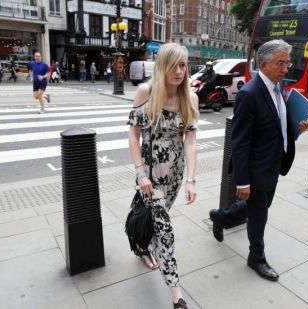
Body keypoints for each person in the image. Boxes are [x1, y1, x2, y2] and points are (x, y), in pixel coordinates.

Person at [209, 39, 308, 281]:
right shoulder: (249, 94)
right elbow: (240, 141)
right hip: (256, 169)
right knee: (259, 215)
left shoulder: (278, 88)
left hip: (273, 164)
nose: (286, 69)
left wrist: (296, 127)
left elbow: (276, 125)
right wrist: (242, 181)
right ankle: (257, 257)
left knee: (260, 206)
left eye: (287, 63)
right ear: (263, 64)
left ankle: (221, 216)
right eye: (280, 63)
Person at [127, 42, 198, 309]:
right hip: (149, 173)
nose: (179, 71)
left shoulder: (190, 98)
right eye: (174, 64)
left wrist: (191, 179)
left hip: (175, 175)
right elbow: (133, 135)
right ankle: (177, 295)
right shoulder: (146, 92)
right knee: (165, 230)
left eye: (183, 65)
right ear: (162, 65)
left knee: (155, 218)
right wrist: (140, 173)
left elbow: (190, 140)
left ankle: (141, 243)